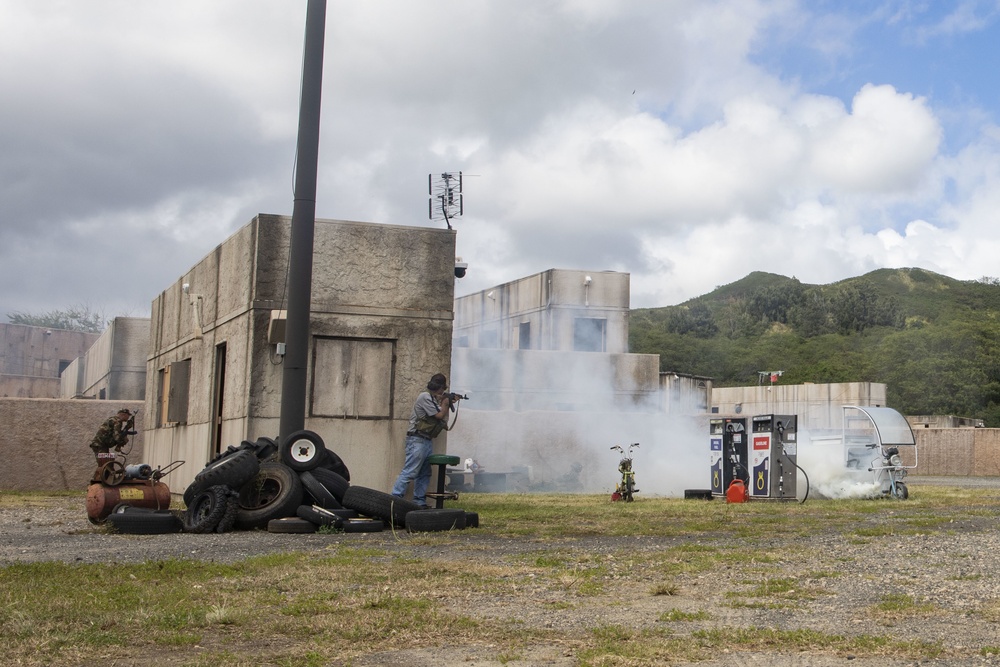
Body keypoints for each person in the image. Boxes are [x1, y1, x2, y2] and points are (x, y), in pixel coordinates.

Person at [391, 373, 457, 509]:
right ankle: (394, 500)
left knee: (425, 473)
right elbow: (439, 415)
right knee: (410, 471)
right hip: (417, 439)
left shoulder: (432, 399)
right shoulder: (425, 397)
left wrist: (446, 401)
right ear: (439, 388)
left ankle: (419, 501)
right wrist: (445, 402)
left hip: (425, 440)